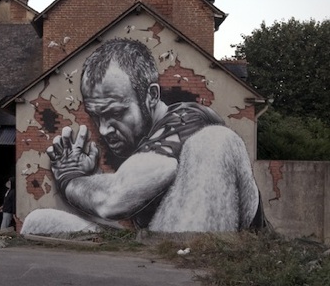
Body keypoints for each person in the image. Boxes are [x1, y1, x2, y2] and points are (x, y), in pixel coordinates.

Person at [21, 38, 260, 234]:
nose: (104, 129)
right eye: (96, 116)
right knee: (37, 222)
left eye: (116, 112)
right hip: (156, 251)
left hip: (217, 259)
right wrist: (91, 179)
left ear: (152, 96)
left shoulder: (189, 118)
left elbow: (114, 199)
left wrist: (72, 180)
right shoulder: (140, 148)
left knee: (216, 141)